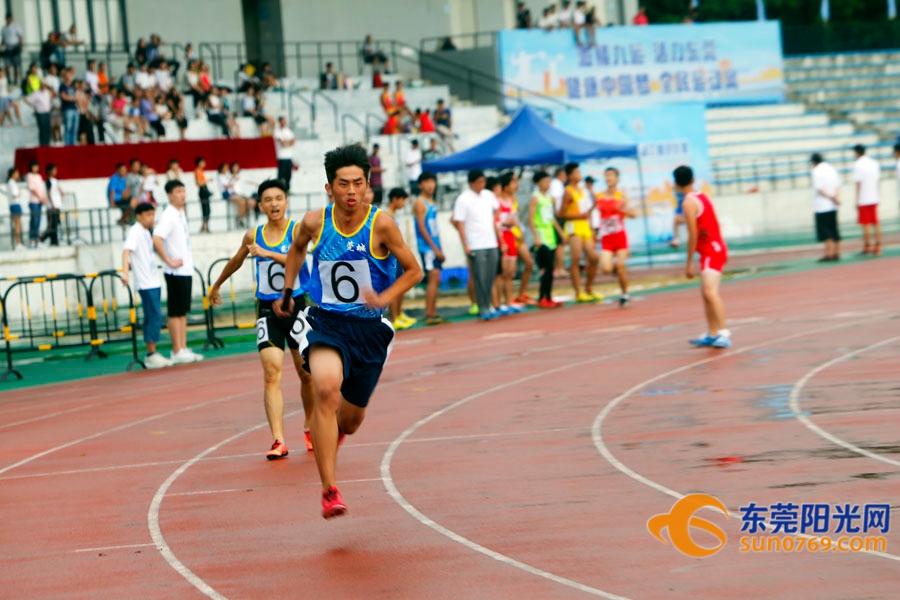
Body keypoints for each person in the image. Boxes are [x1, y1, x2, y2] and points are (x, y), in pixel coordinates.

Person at [274, 145, 423, 519]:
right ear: (330, 188)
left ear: (368, 185)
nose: (352, 191)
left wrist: (383, 297)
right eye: (344, 184)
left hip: (369, 330)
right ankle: (329, 489)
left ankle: (333, 432)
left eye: (359, 183)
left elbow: (414, 271)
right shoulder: (314, 222)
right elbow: (295, 249)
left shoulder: (382, 224)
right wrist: (289, 291)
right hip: (327, 322)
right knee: (325, 388)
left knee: (351, 421)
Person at [210, 179, 315, 458]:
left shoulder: (298, 231)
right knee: (271, 375)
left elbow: (299, 260)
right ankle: (278, 440)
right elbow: (236, 260)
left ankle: (309, 426)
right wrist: (217, 284)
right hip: (268, 309)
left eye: (279, 198)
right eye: (268, 199)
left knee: (307, 374)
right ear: (260, 205)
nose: (274, 204)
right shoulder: (253, 234)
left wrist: (267, 253)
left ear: (286, 201)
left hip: (297, 305)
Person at [675, 165, 731, 349]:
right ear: (693, 180)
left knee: (710, 292)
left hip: (711, 251)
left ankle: (723, 332)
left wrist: (689, 263)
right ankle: (712, 332)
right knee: (706, 293)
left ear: (675, 184)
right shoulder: (702, 196)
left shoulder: (687, 203)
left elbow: (693, 234)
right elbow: (709, 221)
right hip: (714, 248)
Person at [152, 180, 204, 364]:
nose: (182, 194)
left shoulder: (180, 213)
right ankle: (176, 350)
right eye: (178, 191)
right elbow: (157, 238)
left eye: (184, 190)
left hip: (185, 269)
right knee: (175, 311)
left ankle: (182, 347)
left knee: (182, 311)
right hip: (175, 271)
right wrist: (168, 260)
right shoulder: (169, 215)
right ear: (169, 195)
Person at [122, 203, 172, 369]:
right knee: (154, 315)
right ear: (139, 216)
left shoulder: (146, 232)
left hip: (153, 280)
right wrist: (125, 273)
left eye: (153, 214)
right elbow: (126, 251)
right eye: (148, 215)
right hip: (145, 282)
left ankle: (153, 351)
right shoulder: (135, 231)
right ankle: (151, 353)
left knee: (155, 315)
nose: (152, 218)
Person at [453, 169, 503, 321]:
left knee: (490, 277)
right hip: (475, 244)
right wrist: (465, 245)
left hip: (491, 242)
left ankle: (488, 305)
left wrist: (491, 221)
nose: (482, 185)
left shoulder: (488, 195)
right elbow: (459, 223)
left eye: (484, 181)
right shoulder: (463, 199)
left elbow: (497, 209)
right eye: (479, 182)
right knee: (480, 278)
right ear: (471, 183)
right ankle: (483, 307)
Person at [558, 163, 601, 302]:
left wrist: (591, 227)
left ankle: (589, 287)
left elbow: (587, 209)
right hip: (574, 227)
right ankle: (578, 292)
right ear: (570, 175)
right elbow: (561, 214)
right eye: (576, 172)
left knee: (594, 257)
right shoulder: (568, 191)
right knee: (576, 259)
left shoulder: (582, 190)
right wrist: (579, 216)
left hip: (585, 226)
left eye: (579, 171)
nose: (579, 174)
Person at [596, 167, 637, 306]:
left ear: (617, 178)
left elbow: (633, 214)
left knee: (620, 267)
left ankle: (625, 294)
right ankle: (616, 268)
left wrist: (623, 209)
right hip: (607, 238)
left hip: (620, 236)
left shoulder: (621, 195)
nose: (609, 178)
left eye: (612, 175)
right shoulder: (599, 196)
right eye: (606, 176)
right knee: (606, 269)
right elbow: (593, 215)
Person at [528, 171, 564, 308]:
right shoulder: (535, 198)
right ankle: (542, 297)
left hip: (551, 236)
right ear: (538, 183)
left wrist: (560, 232)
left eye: (549, 181)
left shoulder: (549, 197)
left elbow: (551, 217)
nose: (548, 184)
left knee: (551, 269)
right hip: (541, 236)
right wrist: (536, 236)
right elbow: (530, 218)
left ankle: (548, 297)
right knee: (546, 268)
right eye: (545, 181)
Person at [382, 188, 417, 330]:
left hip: (397, 256)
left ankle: (400, 314)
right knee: (394, 287)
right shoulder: (386, 216)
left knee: (401, 285)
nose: (403, 203)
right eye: (402, 200)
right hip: (390, 258)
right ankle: (394, 317)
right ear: (395, 199)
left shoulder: (393, 215)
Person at [414, 172, 445, 325]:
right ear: (420, 185)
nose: (431, 185)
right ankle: (429, 314)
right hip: (427, 249)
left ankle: (434, 312)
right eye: (427, 182)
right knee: (433, 279)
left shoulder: (431, 201)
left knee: (437, 279)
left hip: (434, 247)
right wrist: (434, 248)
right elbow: (422, 228)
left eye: (433, 181)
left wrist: (440, 248)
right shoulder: (420, 202)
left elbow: (434, 228)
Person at [496, 172, 525, 314]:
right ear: (505, 185)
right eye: (513, 182)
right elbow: (496, 222)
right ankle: (500, 303)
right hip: (502, 238)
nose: (516, 185)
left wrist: (518, 232)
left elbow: (515, 220)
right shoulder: (497, 201)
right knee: (502, 273)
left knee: (510, 273)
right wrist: (505, 224)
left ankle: (509, 301)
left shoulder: (513, 201)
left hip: (511, 237)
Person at [810, 153, 841, 262]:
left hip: (822, 206)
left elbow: (819, 189)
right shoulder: (831, 169)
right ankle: (837, 252)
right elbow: (837, 186)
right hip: (833, 205)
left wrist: (830, 197)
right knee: (834, 229)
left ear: (814, 162)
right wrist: (835, 198)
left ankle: (828, 254)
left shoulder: (816, 171)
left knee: (826, 231)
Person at [852, 144, 881, 255]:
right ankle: (878, 245)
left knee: (866, 224)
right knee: (876, 222)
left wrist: (857, 199)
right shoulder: (874, 163)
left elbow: (858, 183)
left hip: (864, 198)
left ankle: (867, 246)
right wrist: (878, 195)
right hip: (874, 197)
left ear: (857, 152)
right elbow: (878, 181)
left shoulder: (858, 164)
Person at [549, 167, 568, 274]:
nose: (566, 177)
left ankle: (558, 267)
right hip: (558, 216)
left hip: (556, 215)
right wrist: (557, 213)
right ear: (560, 174)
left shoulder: (555, 184)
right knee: (560, 243)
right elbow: (554, 199)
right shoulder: (557, 184)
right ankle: (559, 268)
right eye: (564, 175)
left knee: (559, 243)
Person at [40, 163, 62, 246]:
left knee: (56, 225)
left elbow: (59, 189)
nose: (55, 171)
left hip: (57, 205)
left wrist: (62, 194)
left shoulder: (55, 181)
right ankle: (40, 239)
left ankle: (54, 241)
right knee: (51, 226)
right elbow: (49, 193)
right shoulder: (48, 181)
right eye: (54, 170)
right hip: (52, 207)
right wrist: (52, 204)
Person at [26, 161, 45, 248]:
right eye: (34, 167)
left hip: (39, 201)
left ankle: (37, 239)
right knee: (34, 221)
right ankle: (33, 239)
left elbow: (41, 188)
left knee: (38, 221)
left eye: (36, 167)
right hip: (34, 201)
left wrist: (43, 198)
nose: (35, 168)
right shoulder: (29, 176)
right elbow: (32, 189)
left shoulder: (39, 176)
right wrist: (40, 197)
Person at [274, 116, 296, 192]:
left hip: (288, 156)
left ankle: (287, 188)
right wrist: (288, 143)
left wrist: (286, 143)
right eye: (282, 121)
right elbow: (282, 143)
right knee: (281, 175)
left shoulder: (288, 131)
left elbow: (293, 141)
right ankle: (279, 188)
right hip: (281, 156)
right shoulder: (277, 131)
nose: (284, 122)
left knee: (288, 175)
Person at [2, 13, 23, 84]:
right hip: (8, 48)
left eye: (10, 18)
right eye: (7, 18)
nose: (8, 19)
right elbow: (3, 39)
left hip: (15, 47)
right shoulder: (4, 28)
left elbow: (20, 37)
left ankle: (16, 80)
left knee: (15, 65)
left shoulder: (16, 26)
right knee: (7, 65)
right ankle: (9, 80)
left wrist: (20, 46)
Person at [6, 167, 23, 249]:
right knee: (17, 224)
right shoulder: (11, 182)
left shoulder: (12, 182)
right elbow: (14, 194)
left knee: (17, 224)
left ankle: (16, 242)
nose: (18, 175)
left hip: (15, 204)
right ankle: (18, 243)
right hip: (15, 204)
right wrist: (19, 192)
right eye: (16, 173)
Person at [195, 157, 211, 233]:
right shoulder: (197, 171)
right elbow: (199, 183)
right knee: (205, 210)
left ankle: (205, 226)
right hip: (203, 191)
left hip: (204, 190)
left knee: (207, 210)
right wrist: (206, 181)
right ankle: (204, 227)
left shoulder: (201, 171)